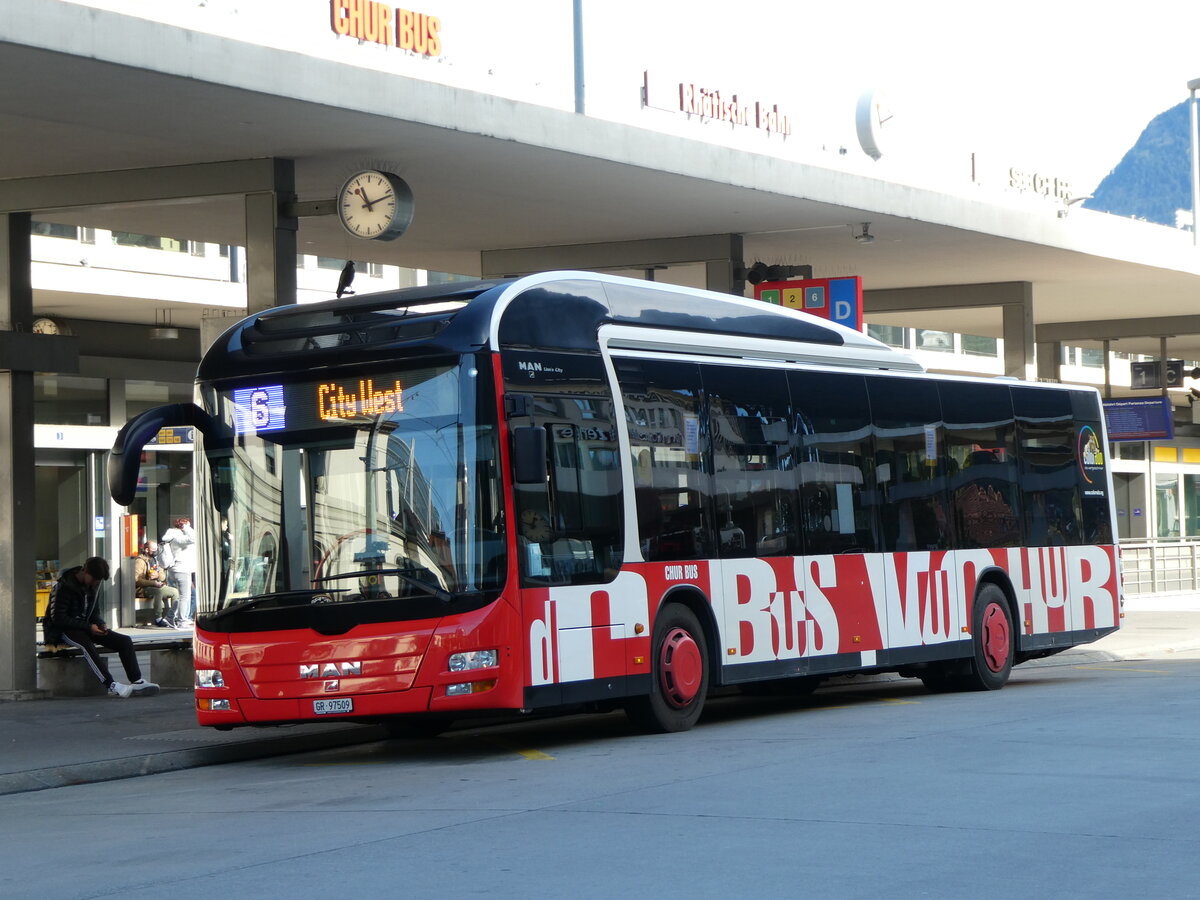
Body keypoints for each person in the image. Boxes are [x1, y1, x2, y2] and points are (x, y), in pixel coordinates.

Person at [43, 557, 159, 698]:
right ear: (85, 571)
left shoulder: (93, 586)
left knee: (124, 641)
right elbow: (58, 618)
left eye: (98, 581)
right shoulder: (63, 587)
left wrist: (100, 624)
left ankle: (137, 680)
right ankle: (112, 685)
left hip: (85, 627)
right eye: (94, 579)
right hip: (61, 630)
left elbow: (94, 612)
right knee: (87, 646)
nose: (95, 583)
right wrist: (88, 626)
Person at [160, 515, 196, 625]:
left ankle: (170, 617)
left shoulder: (171, 535)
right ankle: (182, 620)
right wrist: (187, 528)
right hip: (182, 569)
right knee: (185, 596)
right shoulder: (178, 537)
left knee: (180, 596)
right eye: (188, 524)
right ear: (183, 525)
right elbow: (193, 538)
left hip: (174, 570)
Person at [134, 540, 179, 627]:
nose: (156, 551)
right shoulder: (140, 561)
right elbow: (137, 580)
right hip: (143, 589)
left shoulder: (156, 561)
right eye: (153, 549)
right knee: (158, 592)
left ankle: (172, 616)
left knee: (175, 592)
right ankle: (158, 618)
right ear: (147, 550)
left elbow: (163, 577)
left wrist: (158, 575)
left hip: (157, 585)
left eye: (156, 549)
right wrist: (153, 583)